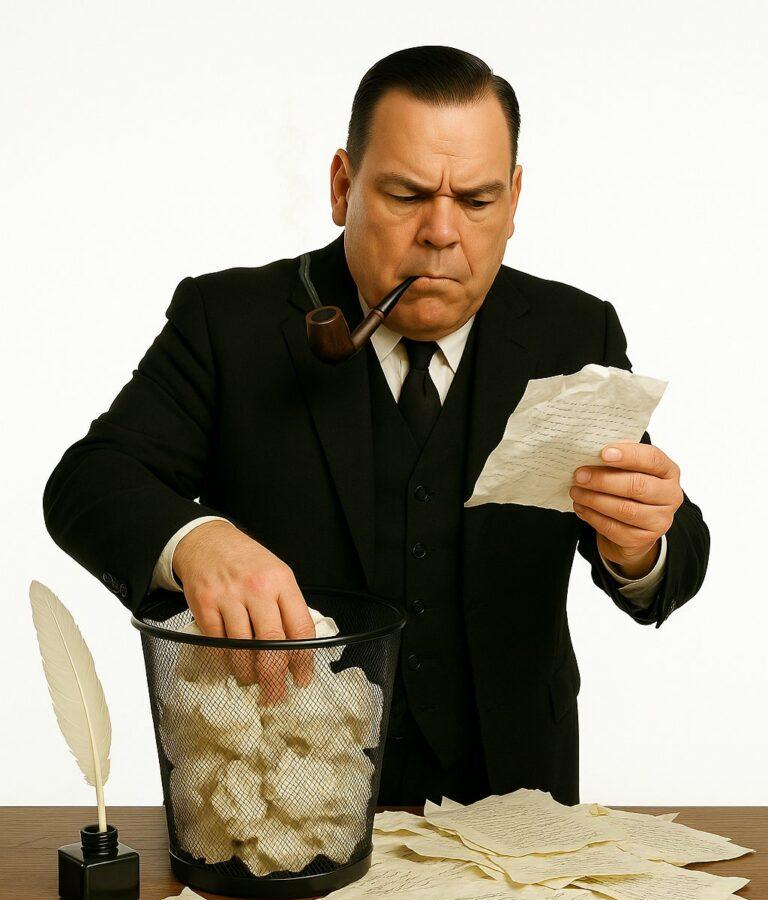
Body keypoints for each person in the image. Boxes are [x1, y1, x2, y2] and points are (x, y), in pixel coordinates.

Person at [42, 45, 709, 808]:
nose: (442, 232)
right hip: (279, 804)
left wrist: (642, 542)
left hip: (516, 804)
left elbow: (673, 559)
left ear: (516, 198)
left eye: (479, 201)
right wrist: (196, 541)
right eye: (406, 194)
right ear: (342, 186)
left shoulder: (574, 331)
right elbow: (88, 481)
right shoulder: (228, 323)